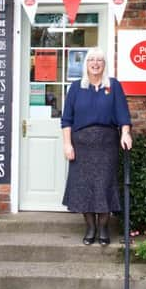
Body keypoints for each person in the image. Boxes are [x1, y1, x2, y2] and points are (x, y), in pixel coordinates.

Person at [61, 47, 133, 246]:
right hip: (81, 146)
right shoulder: (76, 88)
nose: (95, 63)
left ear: (104, 64)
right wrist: (67, 144)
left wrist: (125, 133)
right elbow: (66, 120)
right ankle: (90, 228)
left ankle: (103, 228)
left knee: (103, 185)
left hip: (106, 145)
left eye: (99, 60)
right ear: (86, 64)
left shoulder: (114, 86)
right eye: (91, 59)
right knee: (84, 187)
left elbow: (123, 115)